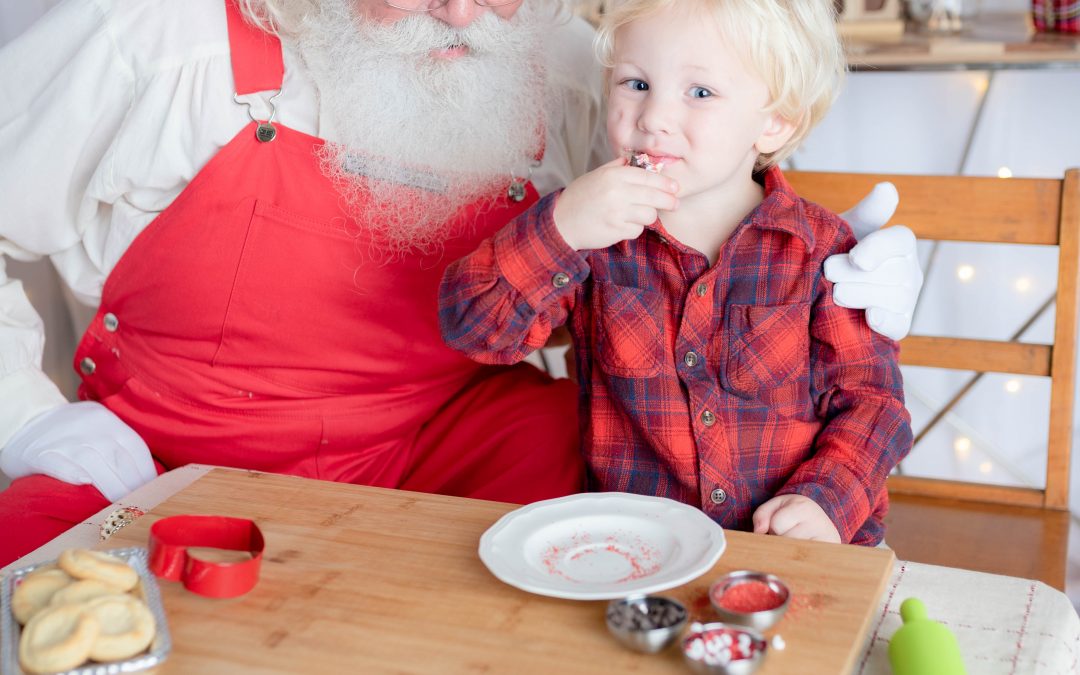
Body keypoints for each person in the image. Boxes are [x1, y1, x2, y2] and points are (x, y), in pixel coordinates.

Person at [0, 0, 918, 566]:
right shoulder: (156, 39)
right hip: (172, 452)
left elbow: (725, 126)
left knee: (596, 492)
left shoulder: (560, 53)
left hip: (444, 438)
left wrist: (836, 273)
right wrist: (26, 416)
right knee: (34, 558)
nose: (465, 13)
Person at [439, 0, 913, 545]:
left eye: (700, 92)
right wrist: (561, 227)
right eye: (635, 83)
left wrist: (826, 499)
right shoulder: (593, 237)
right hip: (642, 551)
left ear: (776, 122)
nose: (653, 117)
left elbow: (874, 403)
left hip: (800, 550)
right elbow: (474, 329)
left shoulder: (820, 249)